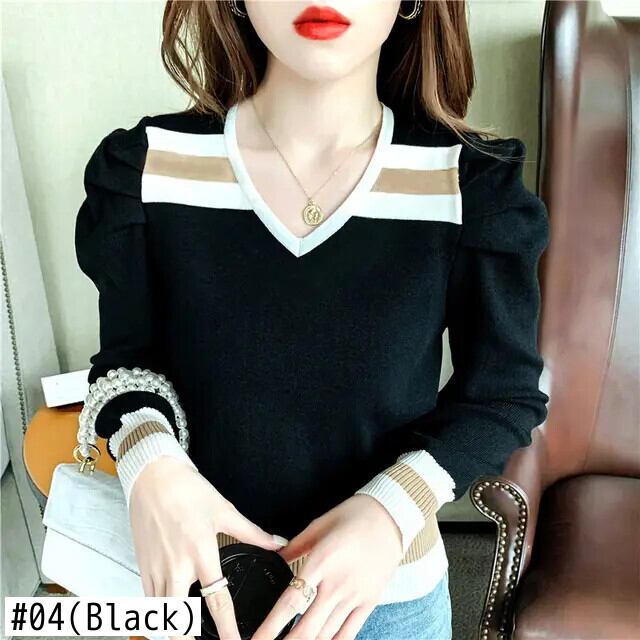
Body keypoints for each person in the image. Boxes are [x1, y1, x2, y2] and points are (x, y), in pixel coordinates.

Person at [74, 1, 550, 639]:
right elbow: (128, 364)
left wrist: (392, 509)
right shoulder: (149, 168)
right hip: (198, 584)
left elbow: (502, 392)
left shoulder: (468, 185)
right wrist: (148, 457)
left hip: (383, 603)